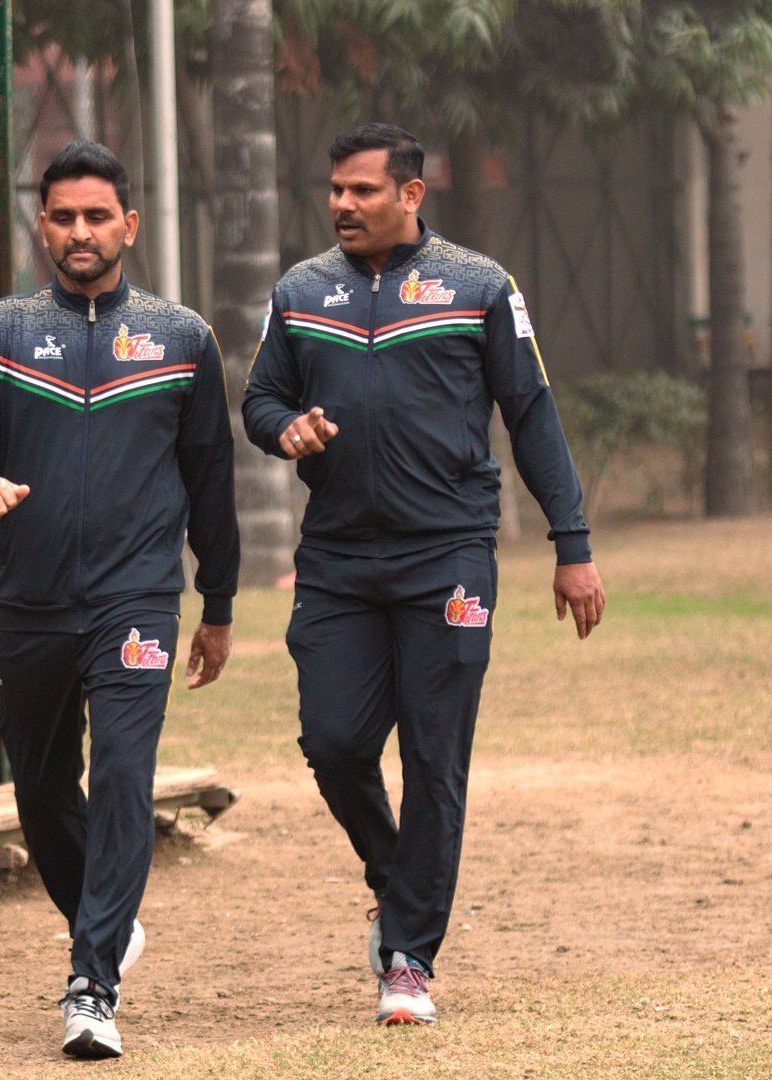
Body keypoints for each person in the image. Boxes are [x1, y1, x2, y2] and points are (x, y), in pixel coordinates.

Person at [243, 123, 605, 1026]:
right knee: (332, 743)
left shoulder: (480, 285)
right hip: (335, 559)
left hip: (446, 552)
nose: (342, 205)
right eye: (335, 190)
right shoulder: (301, 290)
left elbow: (530, 412)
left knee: (434, 758)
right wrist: (285, 428)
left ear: (412, 195)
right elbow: (259, 397)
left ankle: (407, 958)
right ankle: (397, 876)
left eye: (363, 191)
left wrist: (573, 543)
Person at [0, 140, 239, 1059]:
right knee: (38, 791)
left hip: (136, 603)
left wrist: (216, 603)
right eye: (63, 216)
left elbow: (211, 482)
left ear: (129, 226)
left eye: (97, 216)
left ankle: (91, 981)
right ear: (42, 224)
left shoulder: (182, 339)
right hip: (26, 605)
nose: (79, 231)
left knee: (120, 777)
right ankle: (103, 919)